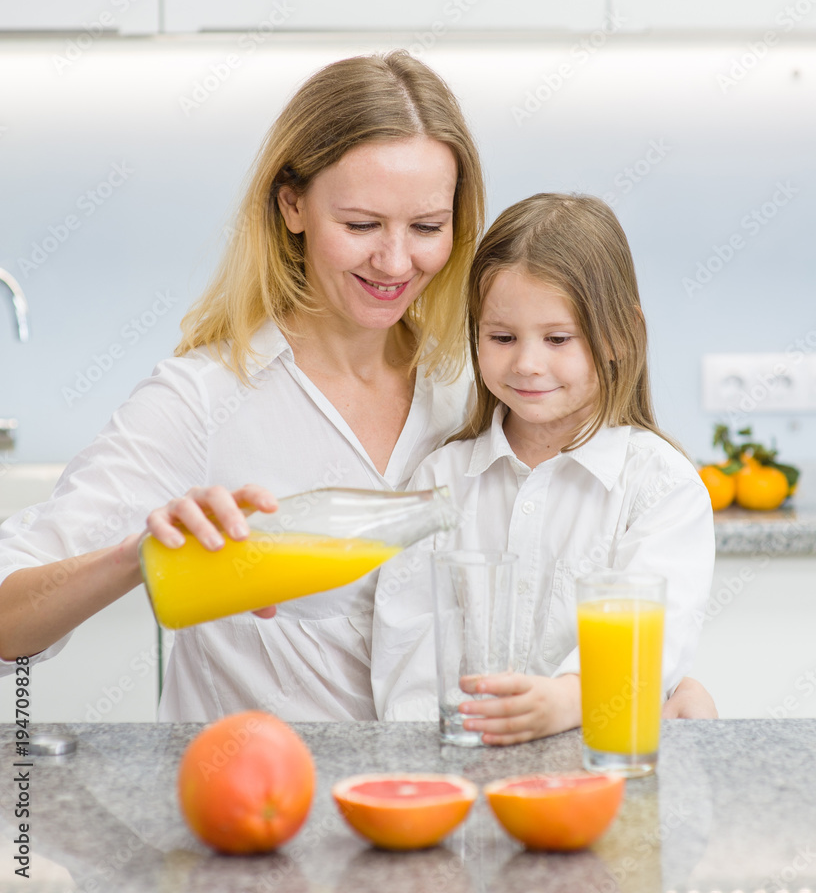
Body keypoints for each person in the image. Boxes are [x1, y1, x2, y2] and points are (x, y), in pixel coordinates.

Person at [0, 50, 485, 722]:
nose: (396, 260)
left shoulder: (474, 393)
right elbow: (7, 621)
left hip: (434, 809)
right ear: (292, 204)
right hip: (252, 814)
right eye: (361, 225)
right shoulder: (201, 400)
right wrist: (134, 557)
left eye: (427, 227)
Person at [371, 193, 717, 743]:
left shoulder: (661, 488)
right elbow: (408, 657)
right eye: (502, 337)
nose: (527, 364)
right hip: (469, 775)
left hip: (598, 789)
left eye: (558, 339)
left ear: (617, 335)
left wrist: (568, 700)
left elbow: (653, 638)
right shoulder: (440, 482)